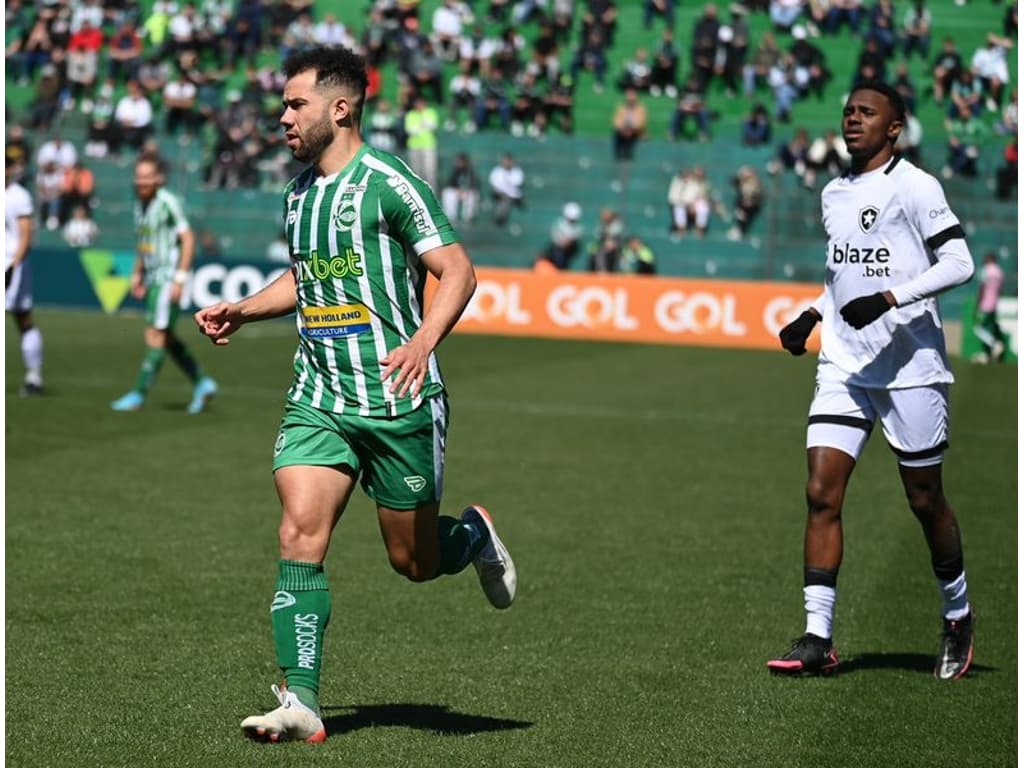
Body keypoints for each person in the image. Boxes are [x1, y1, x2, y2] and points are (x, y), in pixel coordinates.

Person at [193, 46, 517, 744]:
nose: (282, 116)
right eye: (282, 104)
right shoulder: (297, 193)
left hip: (398, 397)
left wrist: (424, 340)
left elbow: (456, 271)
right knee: (297, 532)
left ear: (340, 108)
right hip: (320, 396)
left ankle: (471, 536)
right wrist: (245, 309)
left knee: (413, 562)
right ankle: (301, 699)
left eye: (294, 103)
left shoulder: (390, 183)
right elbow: (304, 281)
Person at [768, 83, 976, 681]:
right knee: (821, 493)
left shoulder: (916, 186)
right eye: (849, 111)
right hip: (846, 364)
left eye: (867, 112)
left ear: (894, 128)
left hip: (910, 368)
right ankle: (816, 637)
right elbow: (842, 271)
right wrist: (813, 312)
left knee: (923, 499)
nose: (853, 118)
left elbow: (958, 263)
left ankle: (958, 615)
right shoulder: (834, 192)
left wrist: (889, 299)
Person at [110, 156, 218, 414]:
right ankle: (202, 383)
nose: (142, 181)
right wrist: (137, 273)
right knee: (165, 336)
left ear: (159, 178)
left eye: (147, 176)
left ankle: (138, 394)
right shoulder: (141, 205)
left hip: (169, 277)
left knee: (155, 334)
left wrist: (180, 279)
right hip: (154, 277)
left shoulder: (168, 202)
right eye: (139, 176)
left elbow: (188, 239)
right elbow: (144, 243)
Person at [5, 155, 45, 397]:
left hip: (11, 264)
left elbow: (25, 235)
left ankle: (34, 376)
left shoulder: (19, 196)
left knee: (23, 319)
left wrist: (13, 267)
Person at [972, 252, 1009, 363]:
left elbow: (982, 288)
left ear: (989, 259)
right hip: (994, 304)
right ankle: (986, 354)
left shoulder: (985, 270)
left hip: (985, 304)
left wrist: (977, 303)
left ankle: (995, 345)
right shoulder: (999, 272)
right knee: (990, 329)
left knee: (978, 329)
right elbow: (1000, 290)